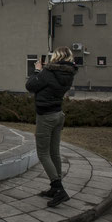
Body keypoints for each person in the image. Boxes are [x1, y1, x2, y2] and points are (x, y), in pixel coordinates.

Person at [25, 47, 77, 207]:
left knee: (43, 153)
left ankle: (58, 188)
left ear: (56, 57)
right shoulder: (69, 73)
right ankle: (56, 187)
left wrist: (37, 70)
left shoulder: (48, 72)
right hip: (58, 114)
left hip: (46, 116)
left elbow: (30, 86)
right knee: (54, 152)